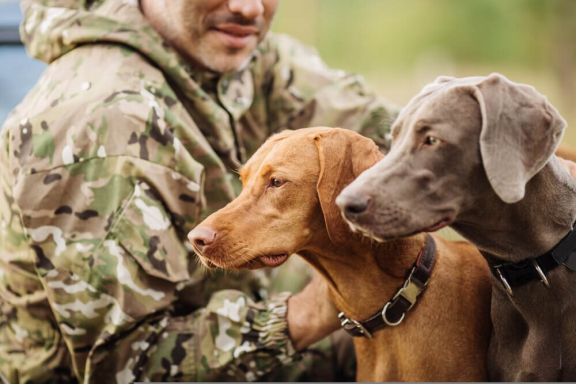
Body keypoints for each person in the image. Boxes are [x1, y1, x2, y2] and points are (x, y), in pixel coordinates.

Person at [0, 0, 397, 382]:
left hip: (245, 313)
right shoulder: (103, 121)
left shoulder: (229, 45)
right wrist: (316, 310)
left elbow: (392, 134)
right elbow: (128, 366)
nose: (249, 7)